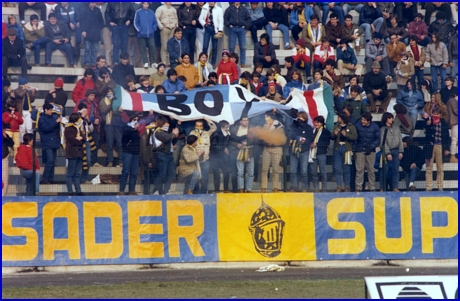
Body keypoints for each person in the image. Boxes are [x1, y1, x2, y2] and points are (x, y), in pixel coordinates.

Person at [259, 109, 286, 193]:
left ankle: (275, 188)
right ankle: (263, 188)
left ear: (271, 117)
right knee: (264, 169)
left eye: (267, 116)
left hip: (276, 148)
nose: (265, 118)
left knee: (275, 169)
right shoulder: (264, 125)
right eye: (265, 117)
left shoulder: (279, 125)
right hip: (267, 148)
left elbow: (280, 136)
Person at [424, 107, 450, 191]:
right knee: (429, 168)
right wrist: (428, 125)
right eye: (434, 113)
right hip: (430, 146)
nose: (436, 115)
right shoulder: (429, 122)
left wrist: (446, 148)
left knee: (440, 168)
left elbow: (447, 137)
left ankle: (440, 186)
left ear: (440, 115)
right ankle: (428, 187)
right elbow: (426, 136)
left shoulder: (444, 123)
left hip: (440, 146)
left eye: (438, 114)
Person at [330, 111, 357, 192]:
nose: (338, 119)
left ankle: (347, 186)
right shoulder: (336, 126)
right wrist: (334, 134)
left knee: (346, 169)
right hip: (338, 148)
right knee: (337, 168)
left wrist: (346, 135)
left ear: (342, 118)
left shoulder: (351, 126)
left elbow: (355, 137)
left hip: (347, 149)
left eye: (339, 117)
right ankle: (339, 186)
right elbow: (331, 137)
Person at [153, 115, 179, 195]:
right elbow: (167, 138)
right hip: (162, 155)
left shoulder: (166, 132)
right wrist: (174, 134)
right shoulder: (158, 132)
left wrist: (175, 136)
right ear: (162, 124)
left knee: (171, 173)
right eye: (166, 124)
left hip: (169, 154)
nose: (167, 125)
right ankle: (156, 190)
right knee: (162, 173)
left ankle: (166, 190)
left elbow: (170, 139)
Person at [189, 119, 217, 194]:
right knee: (196, 177)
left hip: (205, 159)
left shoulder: (206, 133)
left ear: (203, 126)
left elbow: (214, 128)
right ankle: (197, 193)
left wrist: (207, 119)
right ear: (195, 126)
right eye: (197, 126)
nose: (199, 127)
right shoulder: (192, 133)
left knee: (205, 178)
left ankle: (204, 192)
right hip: (196, 160)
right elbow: (189, 146)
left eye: (200, 126)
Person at [354, 112, 380, 192]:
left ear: (369, 121)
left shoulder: (375, 127)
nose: (362, 121)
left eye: (364, 120)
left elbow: (378, 139)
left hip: (371, 151)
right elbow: (355, 137)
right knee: (359, 169)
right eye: (362, 119)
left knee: (371, 170)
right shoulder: (357, 125)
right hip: (359, 150)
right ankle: (358, 187)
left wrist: (371, 147)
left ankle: (372, 187)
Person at [289, 111, 313, 192]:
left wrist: (304, 140)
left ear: (305, 118)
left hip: (304, 151)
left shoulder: (309, 128)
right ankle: (293, 187)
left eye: (301, 117)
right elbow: (289, 134)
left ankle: (304, 188)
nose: (299, 118)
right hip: (293, 150)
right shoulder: (293, 125)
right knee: (293, 171)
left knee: (304, 171)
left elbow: (311, 139)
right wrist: (296, 137)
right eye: (298, 116)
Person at [37, 102, 62, 184]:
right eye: (50, 110)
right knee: (50, 160)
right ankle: (45, 178)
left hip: (54, 141)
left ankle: (51, 178)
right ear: (45, 110)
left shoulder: (54, 116)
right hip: (47, 141)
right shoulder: (42, 119)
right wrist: (56, 122)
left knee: (53, 161)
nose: (51, 111)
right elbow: (46, 128)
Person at [380, 112, 404, 192]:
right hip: (387, 151)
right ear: (386, 119)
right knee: (384, 170)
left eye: (392, 118)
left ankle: (395, 187)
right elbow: (382, 142)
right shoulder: (383, 129)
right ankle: (382, 187)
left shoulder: (397, 128)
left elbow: (400, 140)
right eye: (390, 118)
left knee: (396, 170)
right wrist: (387, 153)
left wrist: (401, 151)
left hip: (396, 150)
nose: (392, 119)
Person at [224, 2, 251, 68]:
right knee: (231, 47)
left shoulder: (244, 9)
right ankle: (230, 63)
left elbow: (249, 19)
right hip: (232, 28)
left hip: (241, 29)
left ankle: (242, 63)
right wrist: (229, 25)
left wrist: (245, 26)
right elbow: (225, 18)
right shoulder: (229, 9)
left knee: (242, 47)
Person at [118, 114, 141, 195]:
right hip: (127, 152)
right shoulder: (126, 128)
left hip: (135, 153)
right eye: (134, 119)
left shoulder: (137, 131)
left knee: (134, 173)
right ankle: (121, 190)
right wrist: (133, 129)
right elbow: (125, 138)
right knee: (125, 171)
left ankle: (132, 190)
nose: (136, 121)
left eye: (137, 120)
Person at [64, 113, 85, 195]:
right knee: (70, 173)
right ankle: (70, 190)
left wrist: (80, 138)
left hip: (79, 153)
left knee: (77, 173)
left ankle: (78, 190)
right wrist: (78, 140)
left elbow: (84, 137)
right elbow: (71, 140)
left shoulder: (78, 128)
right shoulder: (69, 128)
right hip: (72, 153)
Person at [308, 116, 330, 192]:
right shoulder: (312, 131)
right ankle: (316, 188)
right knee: (313, 172)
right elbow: (309, 140)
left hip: (321, 153)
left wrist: (316, 144)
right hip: (312, 154)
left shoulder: (326, 132)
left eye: (318, 122)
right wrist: (310, 144)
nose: (316, 124)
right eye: (315, 122)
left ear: (322, 123)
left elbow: (326, 142)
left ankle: (324, 188)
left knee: (323, 172)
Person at [199, 2, 224, 69]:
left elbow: (220, 20)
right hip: (207, 27)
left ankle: (213, 63)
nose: (211, 2)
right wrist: (205, 24)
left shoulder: (219, 9)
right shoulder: (204, 8)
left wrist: (220, 30)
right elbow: (200, 18)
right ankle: (203, 61)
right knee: (205, 46)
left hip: (215, 29)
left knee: (214, 47)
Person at [80, 2, 104, 68]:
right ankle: (87, 63)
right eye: (92, 3)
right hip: (87, 33)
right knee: (87, 49)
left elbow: (101, 21)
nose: (93, 4)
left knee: (95, 49)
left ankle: (93, 63)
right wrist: (83, 30)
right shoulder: (84, 10)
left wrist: (98, 28)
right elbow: (82, 21)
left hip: (96, 33)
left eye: (94, 3)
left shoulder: (98, 10)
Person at [210, 120, 232, 193]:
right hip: (215, 157)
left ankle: (226, 189)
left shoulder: (227, 134)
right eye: (226, 127)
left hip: (223, 157)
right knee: (217, 174)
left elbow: (233, 139)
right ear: (222, 127)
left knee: (227, 172)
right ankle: (217, 190)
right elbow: (213, 145)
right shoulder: (215, 134)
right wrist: (223, 148)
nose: (228, 128)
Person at [134, 2, 157, 68]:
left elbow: (155, 22)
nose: (146, 5)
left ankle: (153, 62)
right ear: (142, 4)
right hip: (141, 34)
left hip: (150, 33)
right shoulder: (138, 12)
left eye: (147, 4)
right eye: (145, 4)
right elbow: (135, 22)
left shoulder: (151, 12)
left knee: (152, 46)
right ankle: (145, 62)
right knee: (142, 47)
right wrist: (139, 30)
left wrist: (153, 28)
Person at [14, 77, 35, 142]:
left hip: (28, 111)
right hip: (21, 111)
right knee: (22, 128)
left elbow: (32, 100)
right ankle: (22, 142)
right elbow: (20, 95)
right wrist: (25, 89)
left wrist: (33, 93)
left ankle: (30, 141)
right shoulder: (17, 90)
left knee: (29, 128)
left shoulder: (27, 91)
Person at [446, 92, 458, 163]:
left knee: (455, 139)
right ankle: (452, 156)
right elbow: (456, 111)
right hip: (455, 122)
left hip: (454, 122)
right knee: (454, 139)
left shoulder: (450, 100)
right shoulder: (453, 100)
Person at [2, 129, 14, 196]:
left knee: (4, 179)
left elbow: (11, 143)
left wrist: (5, 136)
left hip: (3, 159)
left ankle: (3, 195)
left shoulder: (3, 135)